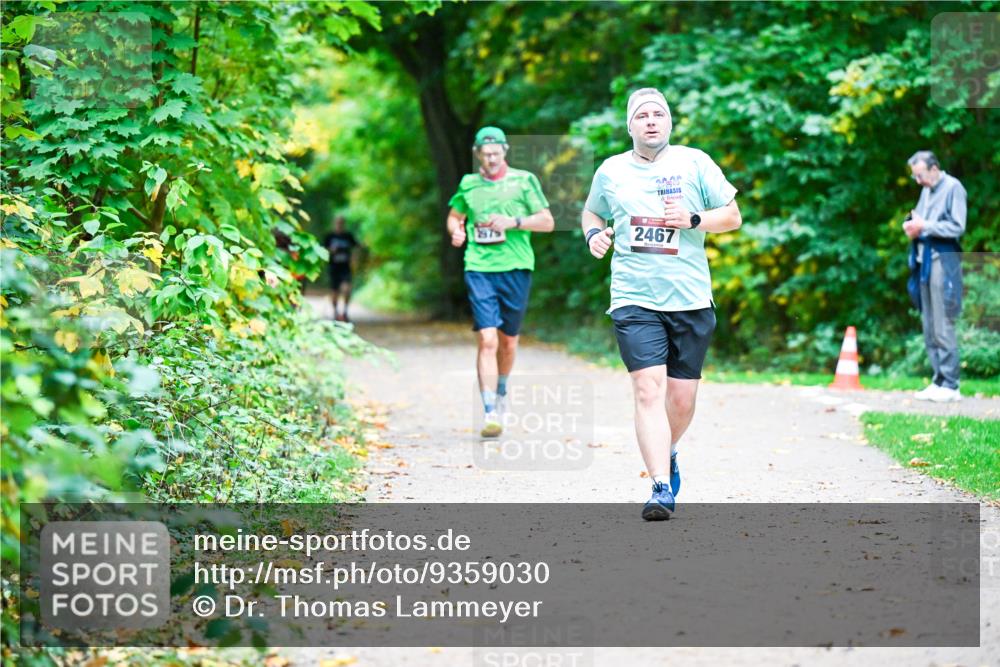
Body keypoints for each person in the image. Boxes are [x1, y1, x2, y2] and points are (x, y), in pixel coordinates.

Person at [581, 88, 741, 521]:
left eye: (658, 114)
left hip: (690, 297)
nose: (651, 121)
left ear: (669, 122)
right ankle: (659, 486)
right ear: (630, 125)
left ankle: (667, 451)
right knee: (648, 389)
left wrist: (693, 219)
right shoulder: (611, 171)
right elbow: (591, 212)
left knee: (681, 400)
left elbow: (732, 216)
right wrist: (593, 235)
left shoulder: (695, 162)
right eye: (642, 115)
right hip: (633, 297)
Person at [446, 126, 554, 438]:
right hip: (479, 268)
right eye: (486, 154)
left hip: (516, 267)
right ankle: (490, 410)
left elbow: (547, 222)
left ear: (505, 151)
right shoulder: (468, 184)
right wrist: (456, 230)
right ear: (477, 154)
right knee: (487, 339)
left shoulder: (524, 181)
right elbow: (454, 216)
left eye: (496, 153)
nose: (491, 159)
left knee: (508, 342)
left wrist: (514, 222)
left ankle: (502, 391)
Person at [904, 151, 966, 403]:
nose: (918, 181)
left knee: (942, 323)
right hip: (924, 261)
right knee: (929, 324)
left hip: (944, 259)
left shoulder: (953, 188)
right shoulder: (926, 190)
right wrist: (911, 226)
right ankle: (938, 380)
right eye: (915, 177)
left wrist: (925, 226)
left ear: (934, 168)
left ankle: (951, 385)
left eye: (920, 175)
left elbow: (958, 226)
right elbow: (920, 220)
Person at [323, 215, 360, 322]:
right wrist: (330, 250)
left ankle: (345, 312)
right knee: (334, 292)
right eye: (337, 223)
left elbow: (357, 247)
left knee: (347, 289)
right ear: (334, 223)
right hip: (334, 268)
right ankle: (335, 313)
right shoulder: (329, 236)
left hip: (345, 268)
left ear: (344, 224)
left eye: (341, 223)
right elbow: (322, 250)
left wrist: (355, 259)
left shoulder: (348, 236)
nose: (339, 225)